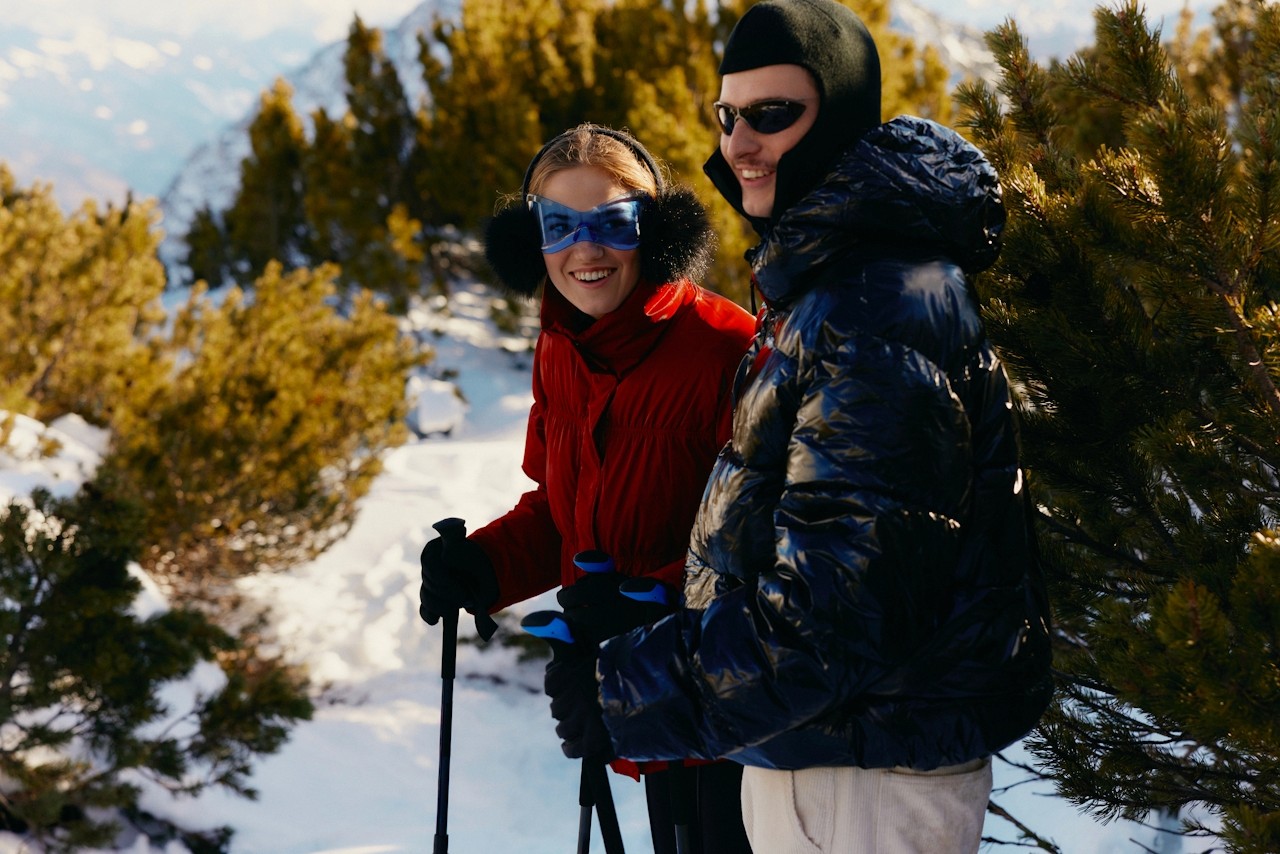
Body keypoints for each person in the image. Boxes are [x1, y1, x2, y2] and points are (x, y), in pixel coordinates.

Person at [542, 2, 1055, 853]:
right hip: (832, 757)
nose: (739, 142)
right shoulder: (835, 284)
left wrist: (628, 691)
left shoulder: (875, 306)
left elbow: (833, 619)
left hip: (862, 780)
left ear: (842, 117)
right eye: (727, 115)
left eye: (773, 115)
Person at [417, 123, 757, 853]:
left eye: (612, 223)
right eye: (559, 225)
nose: (585, 249)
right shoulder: (560, 348)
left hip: (736, 715)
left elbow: (768, 542)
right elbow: (561, 514)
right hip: (639, 696)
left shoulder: (727, 350)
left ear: (655, 229)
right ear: (531, 239)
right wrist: (483, 566)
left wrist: (646, 599)